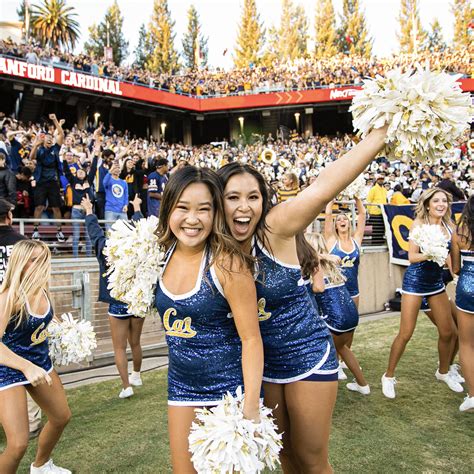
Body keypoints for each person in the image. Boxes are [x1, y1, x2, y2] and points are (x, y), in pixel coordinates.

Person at [217, 126, 387, 472]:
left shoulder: (274, 227)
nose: (244, 207)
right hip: (262, 366)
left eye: (254, 197)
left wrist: (377, 138)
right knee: (285, 456)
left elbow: (324, 187)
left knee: (312, 459)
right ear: (218, 201)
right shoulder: (216, 248)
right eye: (233, 197)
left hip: (307, 355)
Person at [154, 166, 263, 473]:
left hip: (229, 391)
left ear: (215, 214)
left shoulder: (227, 264)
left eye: (204, 209)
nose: (192, 219)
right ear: (168, 209)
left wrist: (251, 408)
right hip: (181, 386)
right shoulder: (158, 255)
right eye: (183, 208)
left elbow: (251, 339)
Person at [381, 188, 462, 399]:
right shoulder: (418, 224)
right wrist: (430, 253)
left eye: (444, 201)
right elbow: (412, 257)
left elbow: (452, 256)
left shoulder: (450, 226)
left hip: (436, 283)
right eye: (436, 201)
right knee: (406, 333)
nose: (441, 204)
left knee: (449, 332)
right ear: (427, 204)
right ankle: (388, 376)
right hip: (415, 283)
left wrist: (456, 273)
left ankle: (443, 371)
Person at [0, 240, 72, 474]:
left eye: (43, 258)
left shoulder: (42, 288)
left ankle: (41, 466)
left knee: (61, 417)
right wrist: (25, 367)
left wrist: (68, 331)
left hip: (39, 362)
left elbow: (42, 322)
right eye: (33, 260)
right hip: (9, 368)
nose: (40, 264)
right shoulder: (8, 297)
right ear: (20, 263)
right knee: (18, 443)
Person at [83, 194, 144, 399]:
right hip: (136, 302)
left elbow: (95, 234)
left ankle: (126, 386)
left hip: (118, 305)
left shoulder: (107, 249)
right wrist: (136, 209)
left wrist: (90, 212)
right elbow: (142, 231)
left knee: (119, 347)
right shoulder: (137, 250)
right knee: (135, 342)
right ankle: (137, 374)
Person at [0, 198, 43, 440]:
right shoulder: (23, 244)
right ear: (9, 217)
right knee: (24, 358)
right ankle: (31, 421)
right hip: (20, 311)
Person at [309, 233, 370, 395]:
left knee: (321, 354)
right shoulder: (330, 263)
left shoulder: (314, 266)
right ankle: (363, 385)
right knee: (342, 347)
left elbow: (318, 289)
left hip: (336, 318)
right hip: (351, 314)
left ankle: (321, 394)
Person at [451, 195, 474, 412]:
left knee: (467, 344)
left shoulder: (459, 233)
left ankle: (472, 394)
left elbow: (455, 268)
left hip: (467, 287)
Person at [324, 196, 366, 308]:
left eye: (345, 218)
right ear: (336, 226)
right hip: (336, 289)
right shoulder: (332, 241)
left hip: (353, 289)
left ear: (349, 223)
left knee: (353, 321)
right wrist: (332, 198)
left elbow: (362, 214)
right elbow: (328, 214)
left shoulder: (356, 240)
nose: (342, 221)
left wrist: (357, 198)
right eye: (338, 219)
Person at [29, 114, 65, 242]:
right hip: (41, 182)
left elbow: (61, 134)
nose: (50, 139)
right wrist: (35, 145)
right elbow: (31, 158)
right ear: (43, 140)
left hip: (53, 182)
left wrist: (55, 120)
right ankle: (35, 231)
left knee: (56, 207)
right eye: (47, 138)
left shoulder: (55, 148)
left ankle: (59, 231)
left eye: (51, 137)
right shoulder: (39, 150)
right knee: (39, 206)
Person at [103, 162, 128, 231]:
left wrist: (126, 205)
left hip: (122, 211)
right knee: (110, 233)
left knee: (125, 232)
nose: (117, 169)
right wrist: (110, 171)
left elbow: (126, 195)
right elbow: (104, 183)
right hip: (110, 210)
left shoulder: (124, 182)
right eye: (115, 167)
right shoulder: (109, 180)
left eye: (118, 167)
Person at [366, 174, 387, 245]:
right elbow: (369, 200)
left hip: (383, 212)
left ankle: (380, 243)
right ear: (376, 180)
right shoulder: (373, 189)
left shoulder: (384, 190)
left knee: (381, 229)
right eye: (379, 179)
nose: (381, 180)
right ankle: (375, 243)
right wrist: (369, 211)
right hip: (374, 212)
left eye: (382, 179)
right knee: (376, 229)